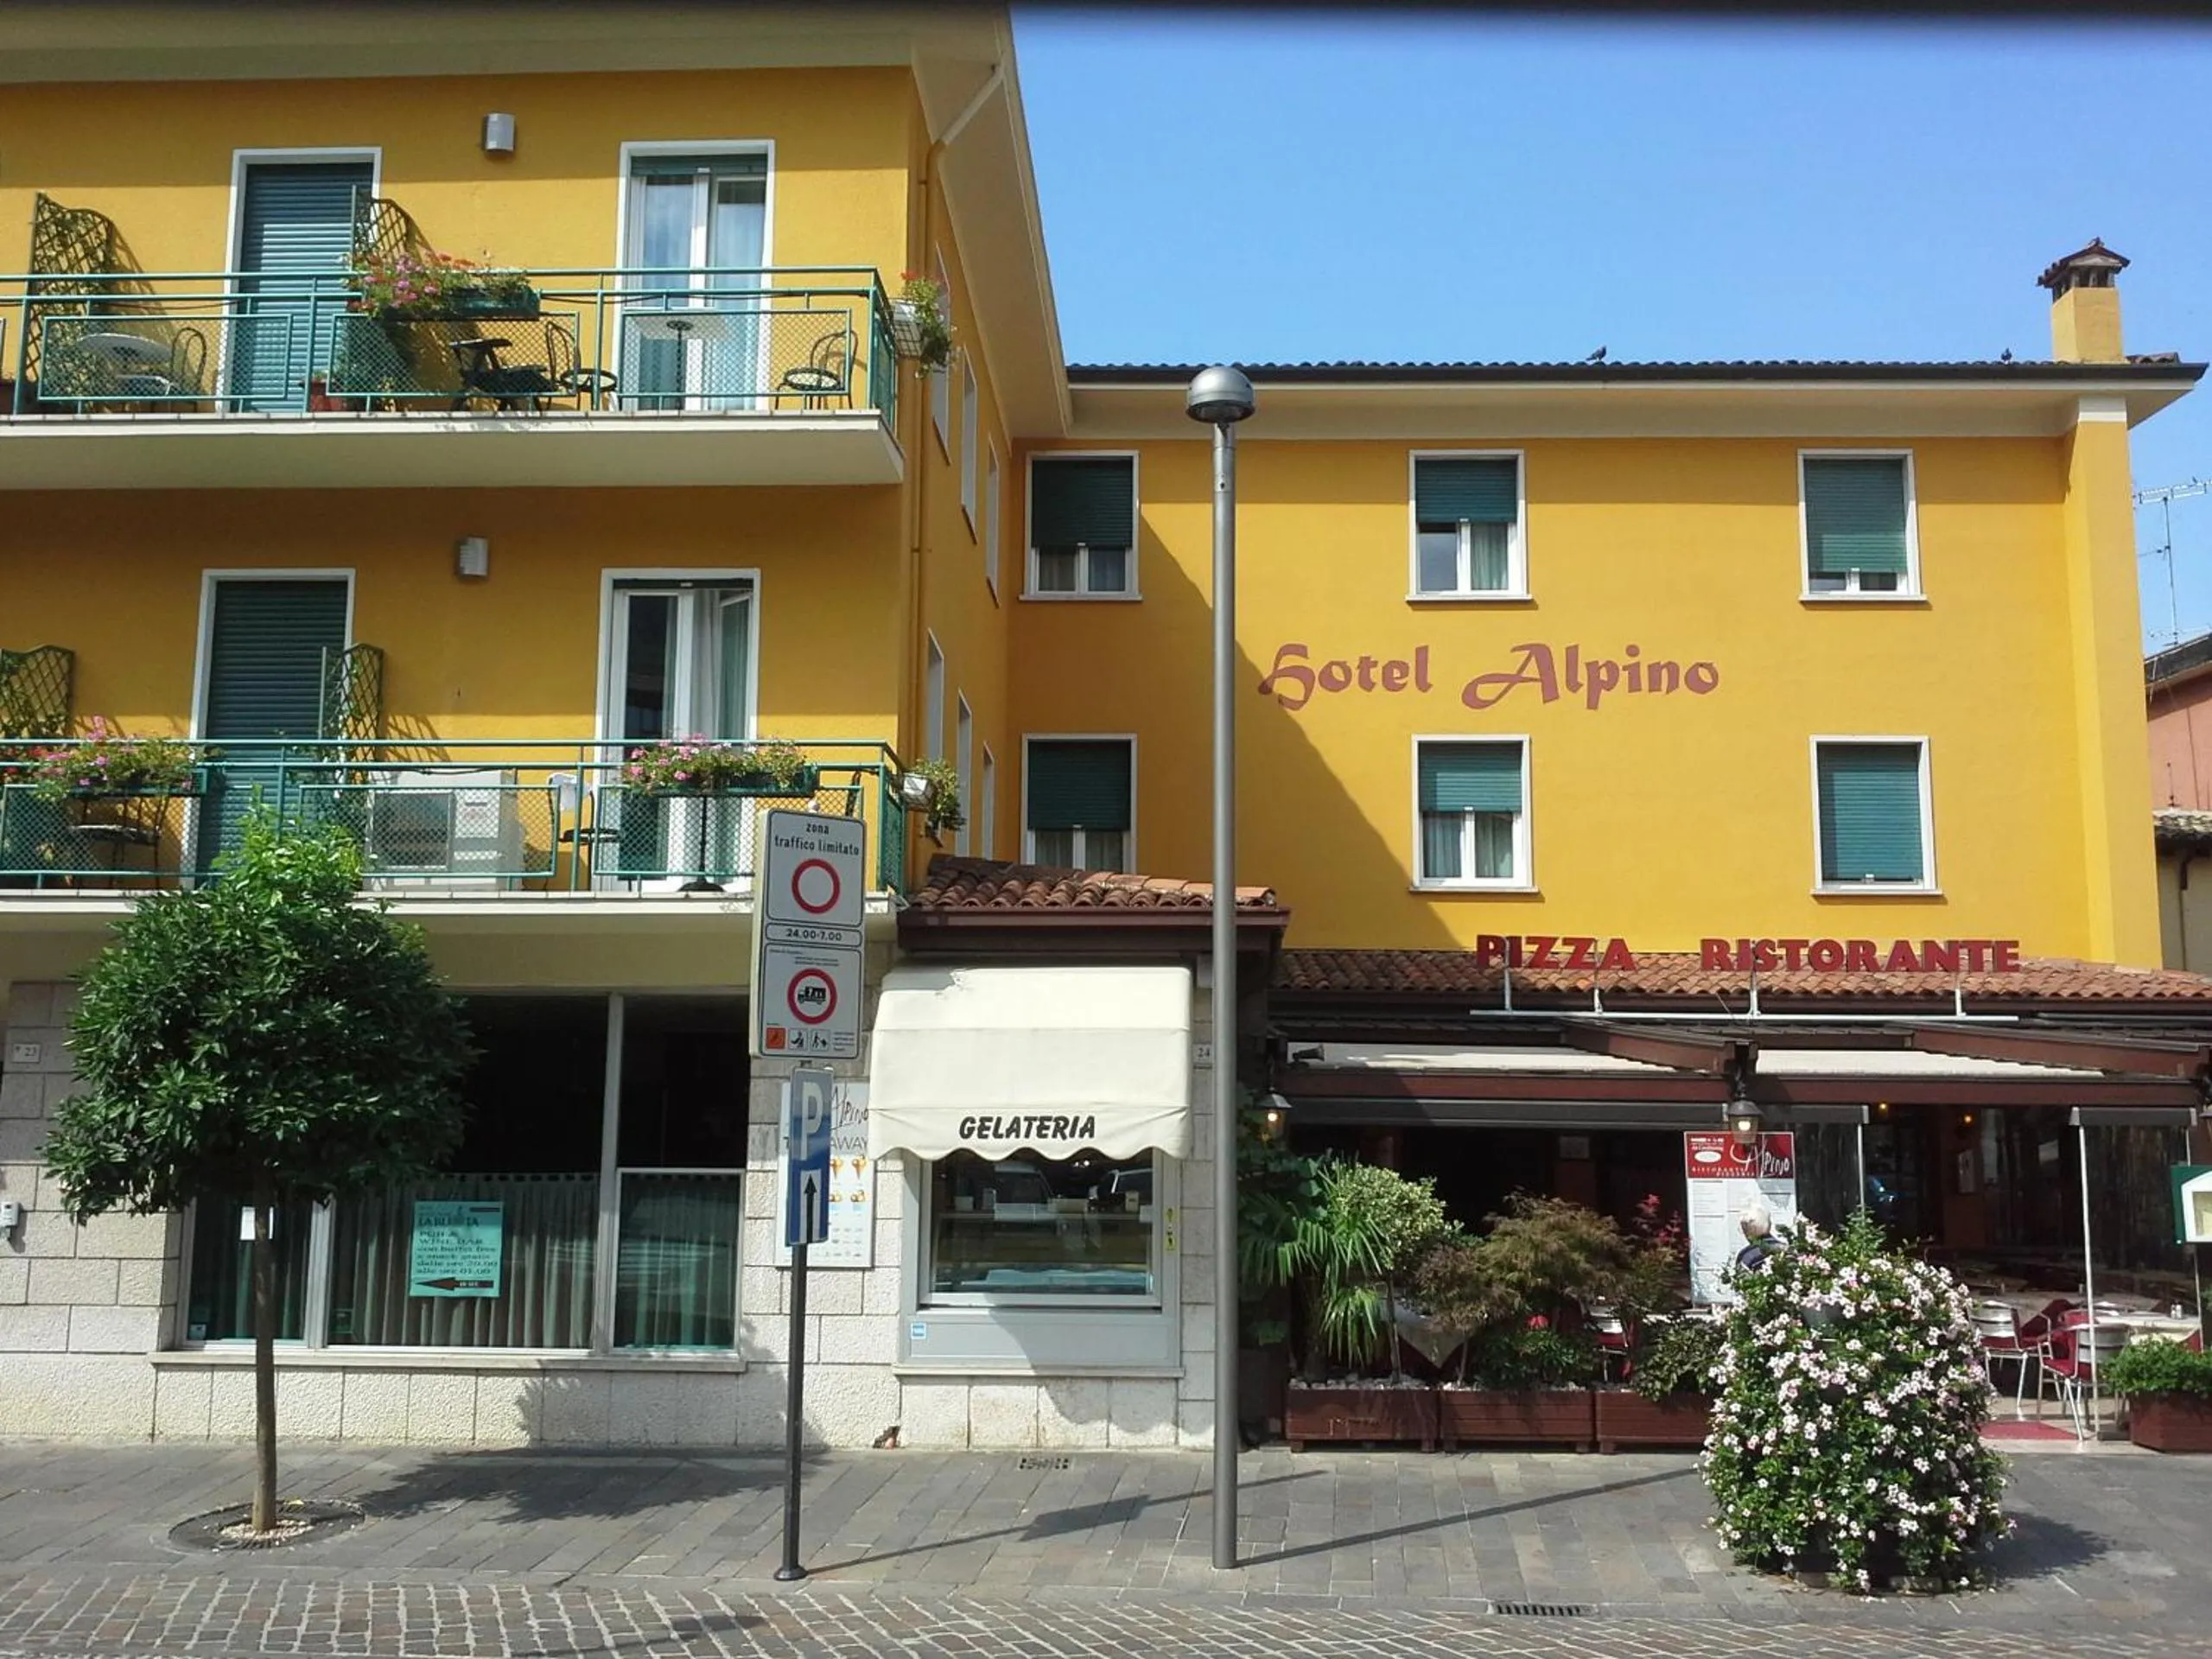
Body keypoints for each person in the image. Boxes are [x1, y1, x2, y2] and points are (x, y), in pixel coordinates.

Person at [1734, 1197, 1789, 1274]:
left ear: (1748, 1229)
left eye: (1743, 1228)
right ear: (1769, 1225)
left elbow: (1740, 1282)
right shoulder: (1786, 1249)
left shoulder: (1746, 1255)